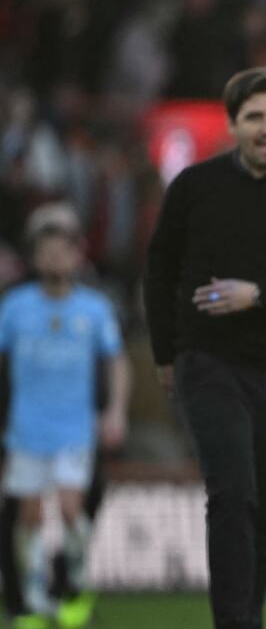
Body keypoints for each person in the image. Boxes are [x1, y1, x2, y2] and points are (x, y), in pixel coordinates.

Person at [143, 66, 266, 629]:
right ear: (232, 126)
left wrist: (256, 295)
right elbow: (158, 274)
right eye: (254, 117)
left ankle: (246, 618)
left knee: (265, 511)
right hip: (210, 364)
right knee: (231, 495)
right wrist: (166, 355)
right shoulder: (193, 188)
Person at [0, 209, 129, 629]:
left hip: (74, 428)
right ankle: (36, 603)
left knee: (73, 512)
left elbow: (118, 362)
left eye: (63, 252)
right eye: (47, 252)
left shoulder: (93, 309)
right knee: (30, 518)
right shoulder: (14, 308)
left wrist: (114, 411)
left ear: (76, 257)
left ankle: (74, 580)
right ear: (36, 259)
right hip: (25, 428)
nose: (56, 259)